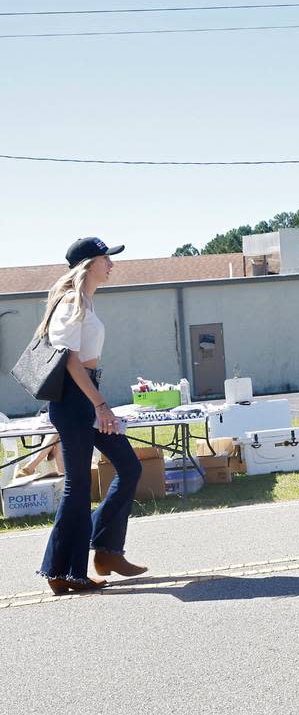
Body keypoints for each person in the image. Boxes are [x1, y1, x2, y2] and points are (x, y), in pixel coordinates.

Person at [37, 237, 148, 594]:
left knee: (129, 466)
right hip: (75, 401)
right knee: (78, 486)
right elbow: (69, 360)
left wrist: (96, 402)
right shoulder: (72, 302)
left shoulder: (84, 301)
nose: (111, 264)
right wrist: (100, 404)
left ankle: (105, 550)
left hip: (85, 397)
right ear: (88, 264)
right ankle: (64, 570)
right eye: (106, 258)